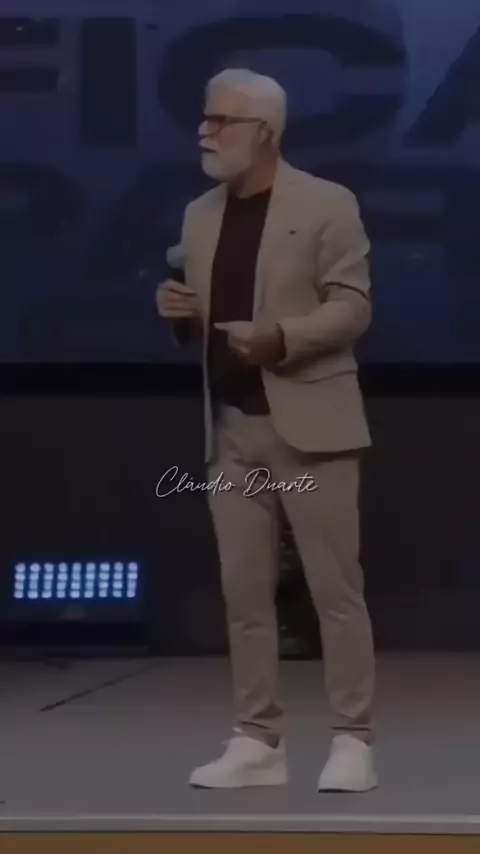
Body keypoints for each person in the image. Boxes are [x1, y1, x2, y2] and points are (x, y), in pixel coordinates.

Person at [156, 68, 377, 793]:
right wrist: (179, 312)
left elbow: (352, 307)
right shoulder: (199, 214)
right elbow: (207, 317)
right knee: (243, 593)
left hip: (310, 428)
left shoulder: (326, 204)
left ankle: (352, 738)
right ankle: (258, 739)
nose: (204, 131)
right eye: (205, 118)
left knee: (334, 591)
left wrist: (281, 337)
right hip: (230, 429)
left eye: (220, 120)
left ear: (265, 131)